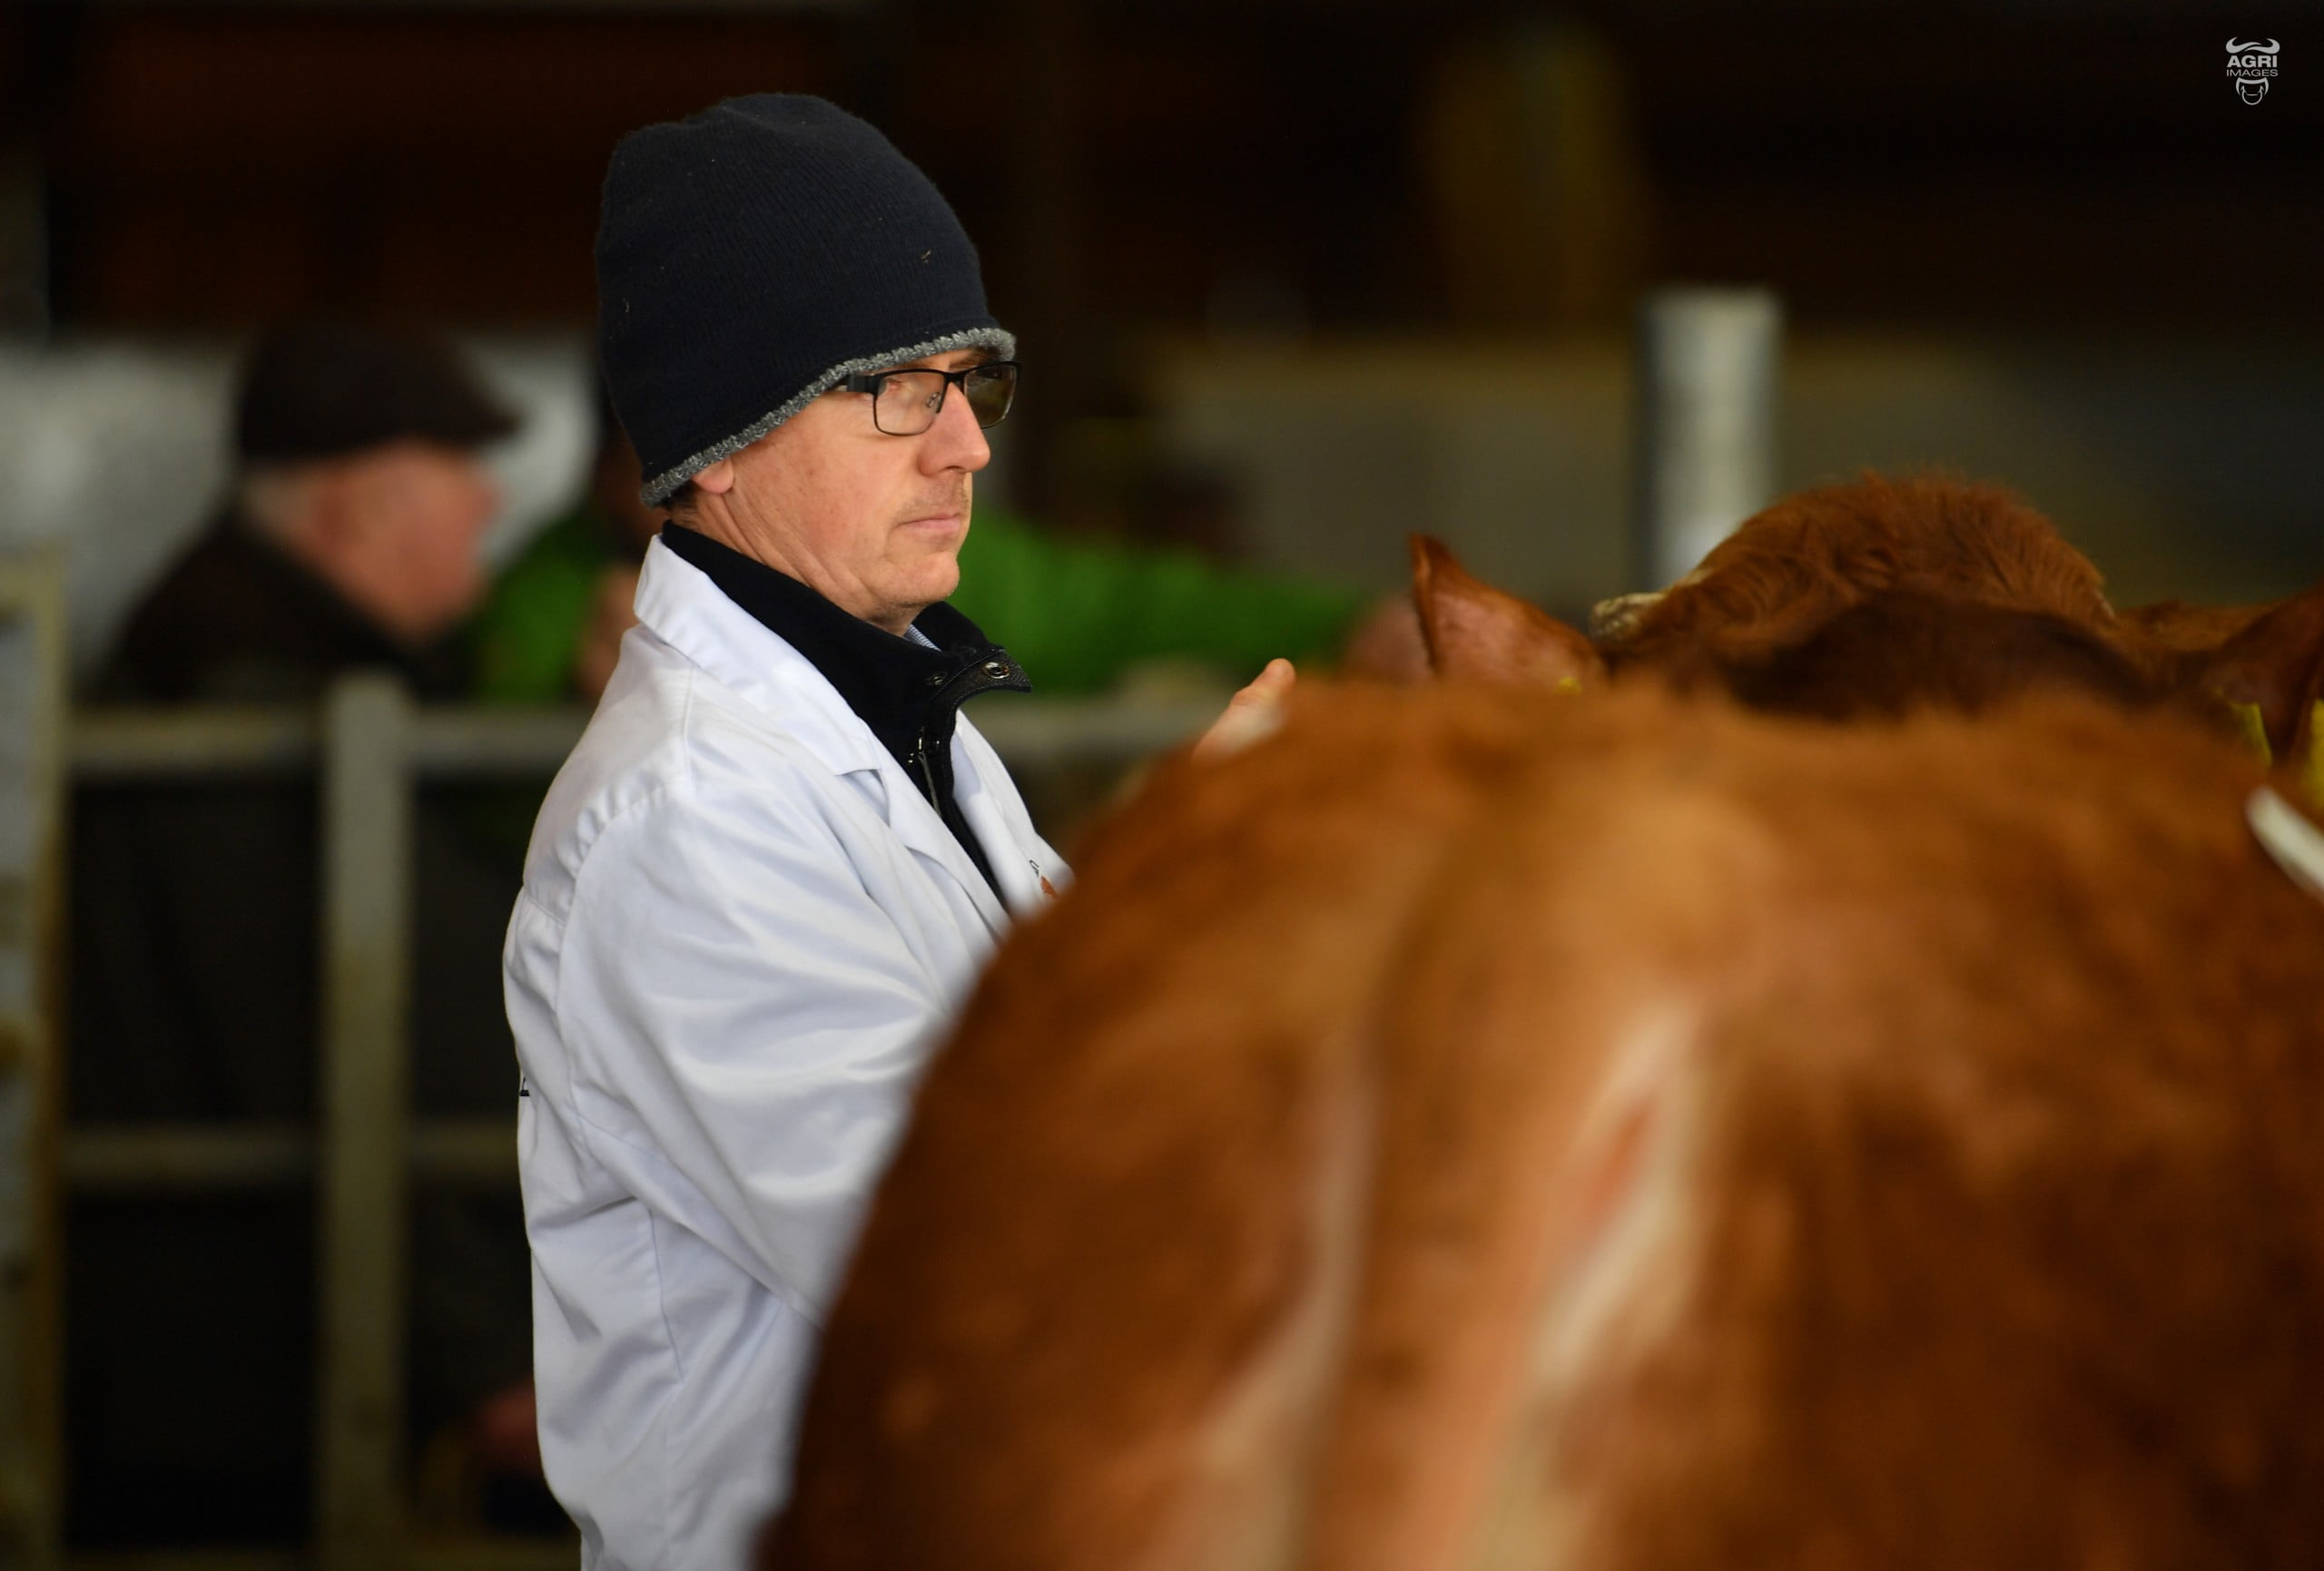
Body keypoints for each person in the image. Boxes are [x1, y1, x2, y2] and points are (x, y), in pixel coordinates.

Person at [506, 95, 1292, 1568]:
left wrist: (1204, 859)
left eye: (970, 384)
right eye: (892, 391)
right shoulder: (689, 823)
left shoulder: (904, 721)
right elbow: (979, 1264)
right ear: (720, 444)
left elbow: (1034, 1059)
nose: (966, 449)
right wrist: (1186, 881)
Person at [70, 320, 543, 1543]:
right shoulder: (241, 708)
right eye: (457, 466)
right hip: (233, 1411)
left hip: (246, 1378)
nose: (489, 499)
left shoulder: (266, 670)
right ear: (359, 508)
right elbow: (322, 1041)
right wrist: (490, 1355)